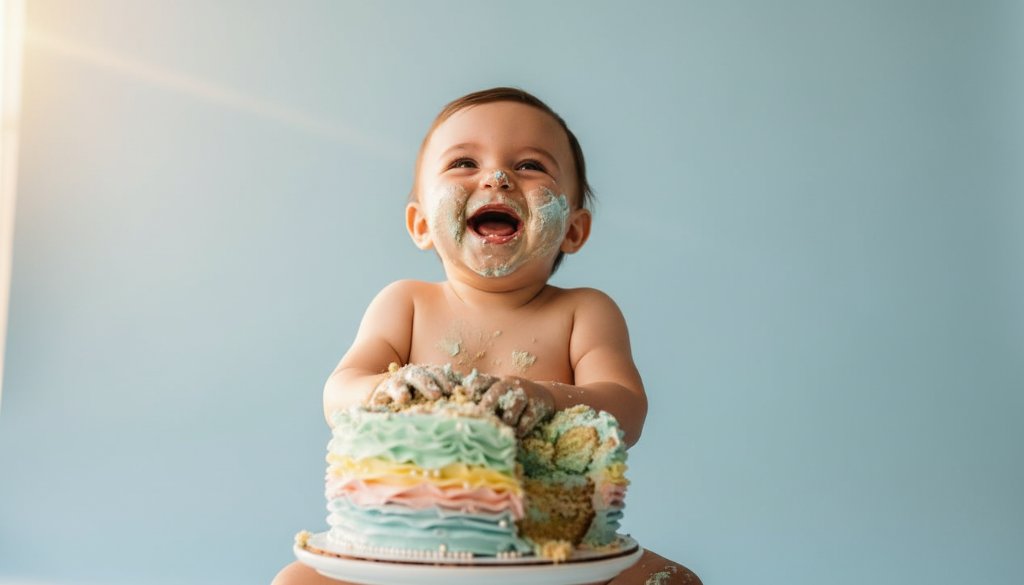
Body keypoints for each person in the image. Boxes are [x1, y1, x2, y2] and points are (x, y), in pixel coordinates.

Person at [272, 87, 701, 585]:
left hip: (555, 553)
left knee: (674, 581)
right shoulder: (406, 304)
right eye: (463, 163)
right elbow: (338, 392)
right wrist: (382, 389)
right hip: (405, 555)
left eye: (530, 166)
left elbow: (627, 407)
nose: (497, 177)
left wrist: (544, 395)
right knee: (296, 581)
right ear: (420, 224)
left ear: (574, 230)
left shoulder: (582, 311)